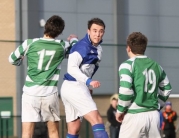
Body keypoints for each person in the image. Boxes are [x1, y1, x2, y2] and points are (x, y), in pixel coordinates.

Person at [8, 15, 78, 138]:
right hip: (49, 94)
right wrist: (73, 39)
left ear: (46, 27)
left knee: (27, 133)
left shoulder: (29, 43)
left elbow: (12, 59)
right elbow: (76, 50)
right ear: (59, 32)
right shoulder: (62, 45)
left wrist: (21, 61)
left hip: (30, 93)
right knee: (53, 132)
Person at [115, 32, 172, 138]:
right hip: (153, 116)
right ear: (144, 48)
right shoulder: (156, 66)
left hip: (134, 114)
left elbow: (126, 91)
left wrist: (120, 110)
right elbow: (167, 88)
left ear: (128, 48)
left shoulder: (127, 65)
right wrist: (157, 104)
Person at [60, 18, 109, 138]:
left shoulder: (98, 48)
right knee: (97, 120)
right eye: (94, 30)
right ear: (88, 31)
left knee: (74, 129)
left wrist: (87, 85)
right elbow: (71, 68)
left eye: (101, 31)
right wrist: (88, 81)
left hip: (72, 88)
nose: (97, 34)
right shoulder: (81, 47)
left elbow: (89, 68)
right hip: (74, 86)